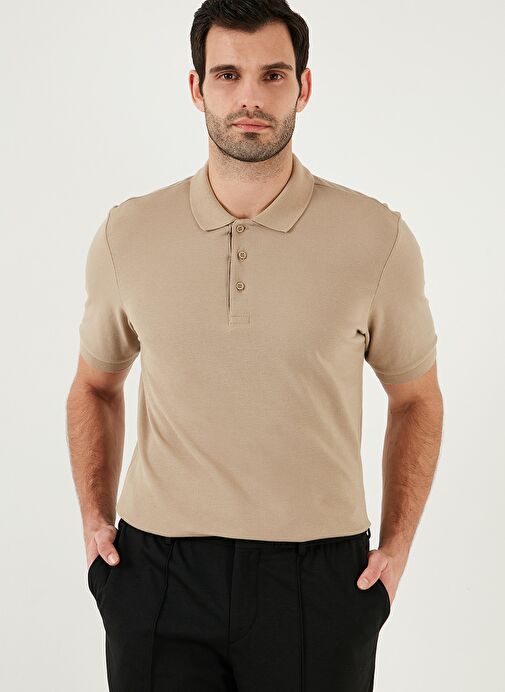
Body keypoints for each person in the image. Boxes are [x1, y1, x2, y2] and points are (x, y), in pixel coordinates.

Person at [66, 1, 444, 690]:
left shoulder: (376, 238)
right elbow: (94, 384)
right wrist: (94, 525)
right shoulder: (129, 233)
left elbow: (416, 397)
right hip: (157, 574)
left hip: (318, 580)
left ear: (303, 86)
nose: (250, 98)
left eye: (272, 75)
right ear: (196, 88)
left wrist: (396, 550)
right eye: (227, 74)